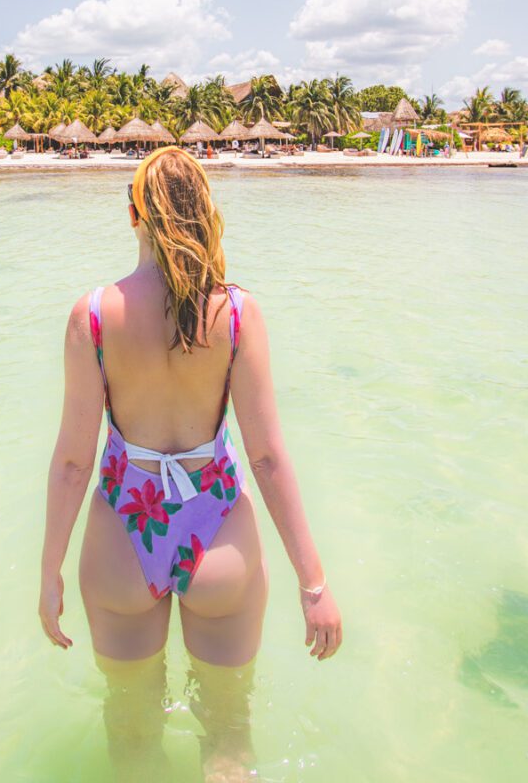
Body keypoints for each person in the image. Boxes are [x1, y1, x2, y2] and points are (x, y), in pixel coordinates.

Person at [39, 145, 342, 778]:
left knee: (131, 737)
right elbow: (266, 456)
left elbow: (73, 462)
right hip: (220, 533)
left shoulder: (92, 317)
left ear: (133, 215)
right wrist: (313, 585)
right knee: (229, 737)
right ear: (205, 210)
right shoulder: (236, 314)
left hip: (125, 533)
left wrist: (50, 575)